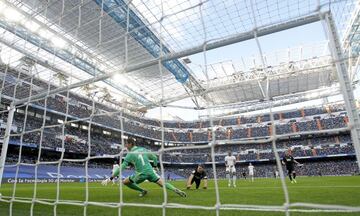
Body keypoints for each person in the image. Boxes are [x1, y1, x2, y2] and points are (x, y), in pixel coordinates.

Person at [102, 137, 186, 197]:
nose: (126, 146)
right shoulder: (143, 149)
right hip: (151, 171)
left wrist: (111, 178)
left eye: (126, 144)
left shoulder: (130, 154)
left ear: (130, 144)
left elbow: (122, 167)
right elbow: (154, 157)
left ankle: (143, 191)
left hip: (141, 174)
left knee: (125, 182)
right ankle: (175, 189)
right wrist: (156, 166)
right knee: (162, 183)